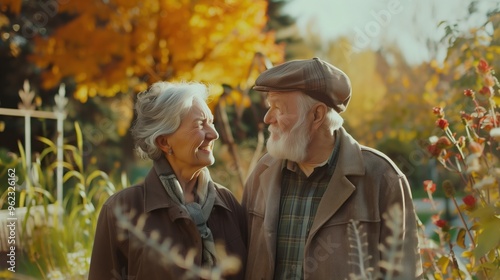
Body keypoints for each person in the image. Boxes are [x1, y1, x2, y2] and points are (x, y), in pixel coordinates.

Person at [242, 57, 422, 280]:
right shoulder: (262, 172)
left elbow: (403, 274)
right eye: (270, 107)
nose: (268, 118)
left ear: (317, 115)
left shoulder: (382, 177)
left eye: (278, 108)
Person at [89, 81, 247, 280]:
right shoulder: (122, 208)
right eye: (200, 124)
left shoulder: (228, 204)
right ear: (164, 142)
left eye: (211, 122)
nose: (214, 134)